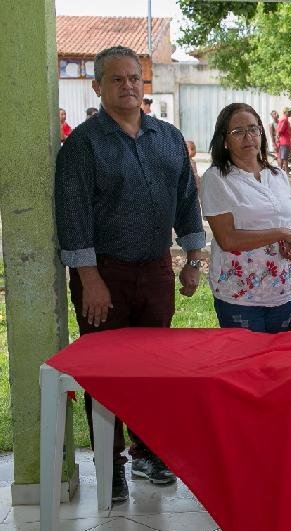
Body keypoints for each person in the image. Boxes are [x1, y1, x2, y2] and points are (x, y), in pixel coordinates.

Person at [54, 45, 205, 502]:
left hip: (156, 271)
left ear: (145, 85)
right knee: (107, 372)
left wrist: (193, 260)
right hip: (104, 276)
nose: (127, 85)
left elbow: (185, 201)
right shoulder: (83, 144)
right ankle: (110, 462)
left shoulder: (168, 137)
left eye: (134, 78)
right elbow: (73, 213)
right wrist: (90, 278)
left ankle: (147, 453)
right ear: (97, 87)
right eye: (116, 79)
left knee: (154, 371)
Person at [200, 103, 291, 332]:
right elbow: (228, 239)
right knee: (247, 364)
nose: (248, 136)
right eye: (238, 132)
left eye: (253, 129)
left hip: (283, 291)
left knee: (279, 363)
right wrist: (281, 233)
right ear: (225, 141)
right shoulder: (216, 179)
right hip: (240, 296)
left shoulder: (277, 176)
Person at [277, 107, 291, 175]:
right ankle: (285, 172)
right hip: (284, 141)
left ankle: (282, 172)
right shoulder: (284, 120)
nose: (290, 113)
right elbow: (280, 130)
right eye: (289, 112)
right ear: (285, 112)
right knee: (285, 158)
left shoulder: (285, 119)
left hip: (286, 141)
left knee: (284, 157)